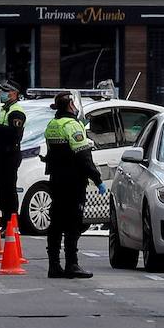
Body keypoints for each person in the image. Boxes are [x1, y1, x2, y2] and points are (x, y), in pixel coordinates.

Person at [43, 92, 103, 279]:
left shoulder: (52, 124)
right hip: (73, 182)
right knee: (73, 223)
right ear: (70, 105)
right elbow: (83, 156)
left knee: (56, 223)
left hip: (56, 180)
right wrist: (98, 179)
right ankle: (72, 264)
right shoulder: (72, 125)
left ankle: (54, 265)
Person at [0, 79, 27, 231]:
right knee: (1, 189)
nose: (1, 94)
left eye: (5, 91)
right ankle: (5, 222)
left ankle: (11, 223)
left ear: (14, 93)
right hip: (0, 154)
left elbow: (13, 135)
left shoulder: (16, 111)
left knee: (8, 189)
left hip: (10, 154)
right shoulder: (4, 109)